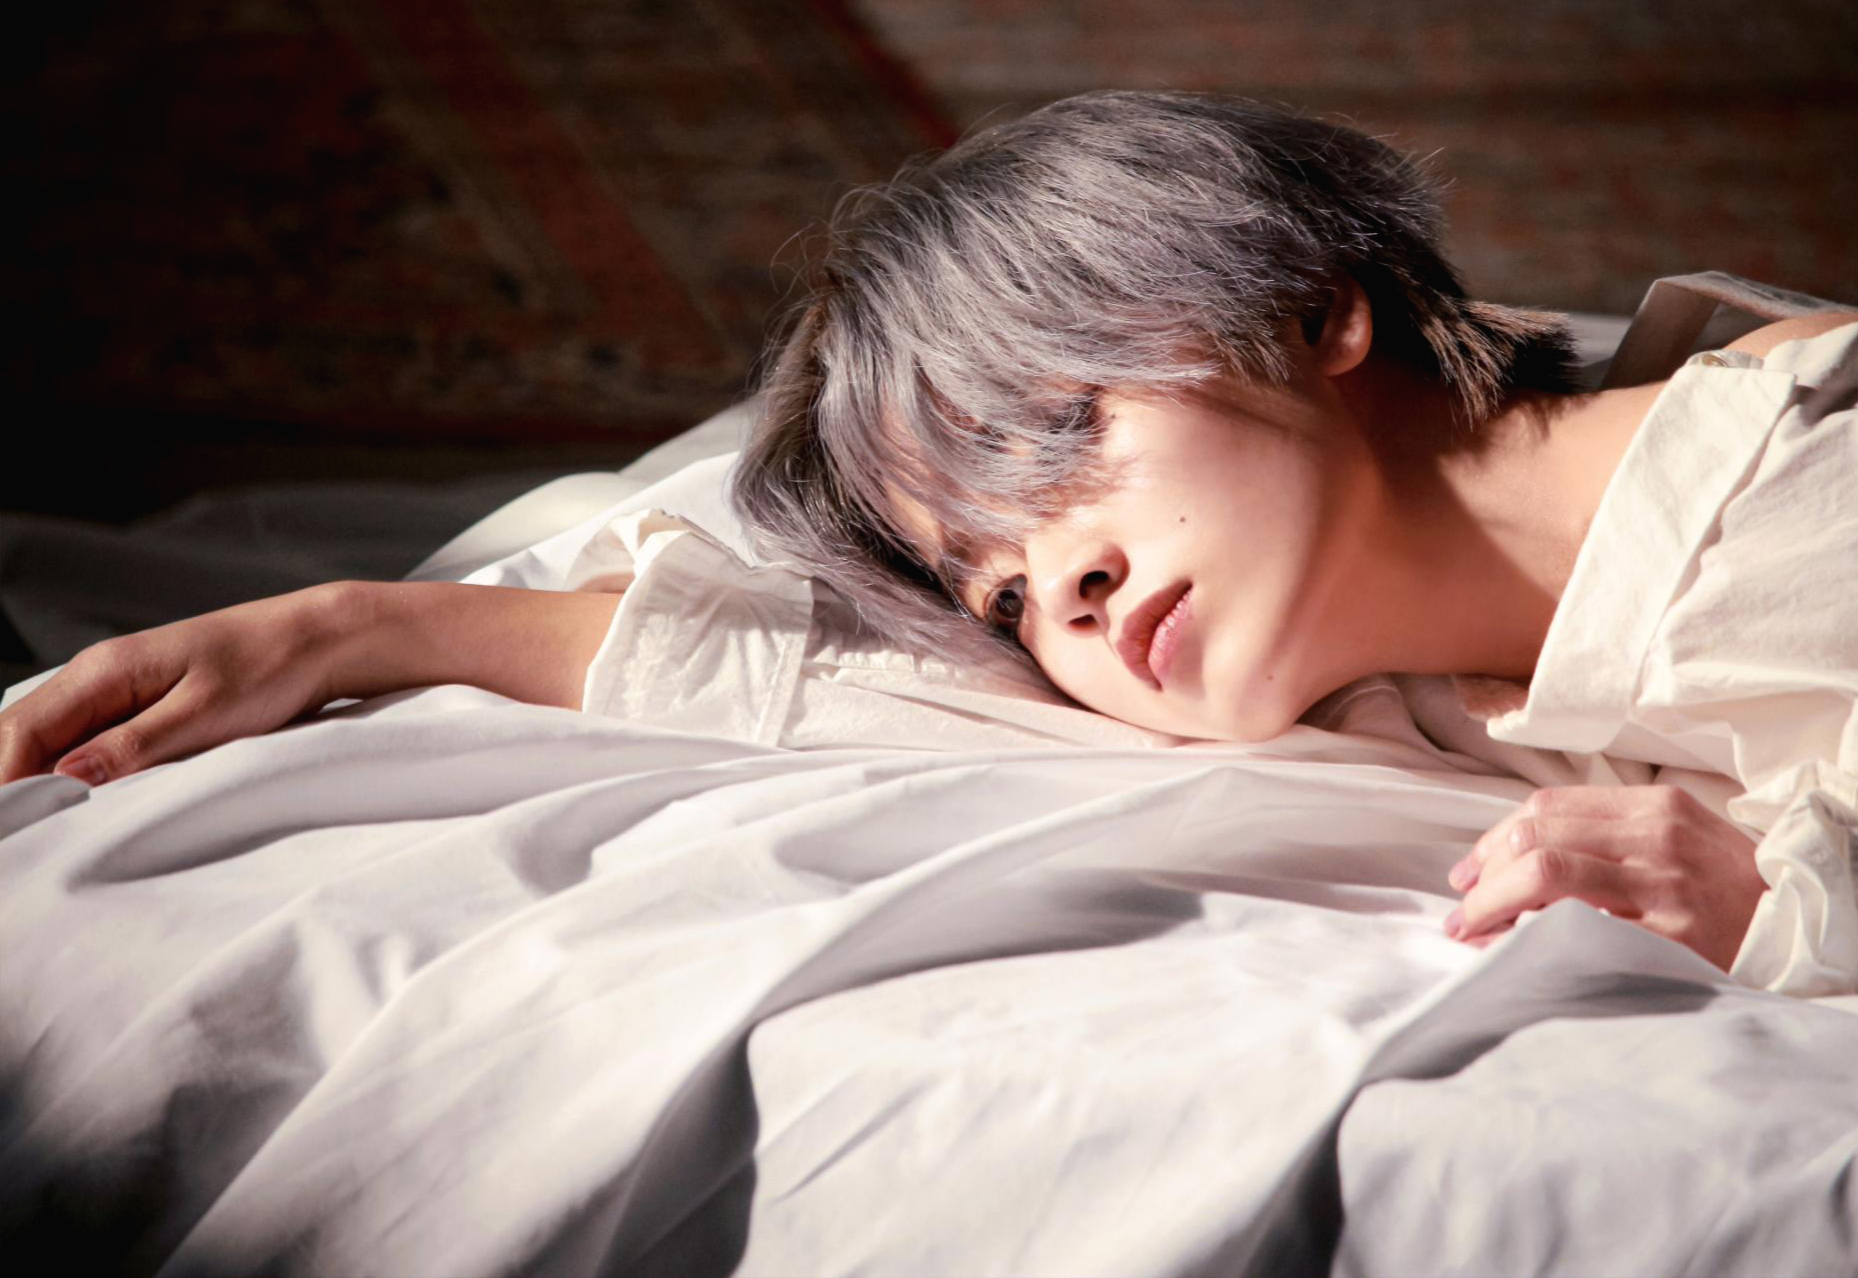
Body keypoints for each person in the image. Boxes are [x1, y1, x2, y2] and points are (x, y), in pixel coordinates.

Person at [1, 92, 1853, 993]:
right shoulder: (1381, 672)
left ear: (1316, 310)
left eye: (1070, 435)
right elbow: (865, 678)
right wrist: (359, 629)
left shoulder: (1798, 481)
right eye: (1004, 585)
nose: (1069, 586)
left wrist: (1783, 905)